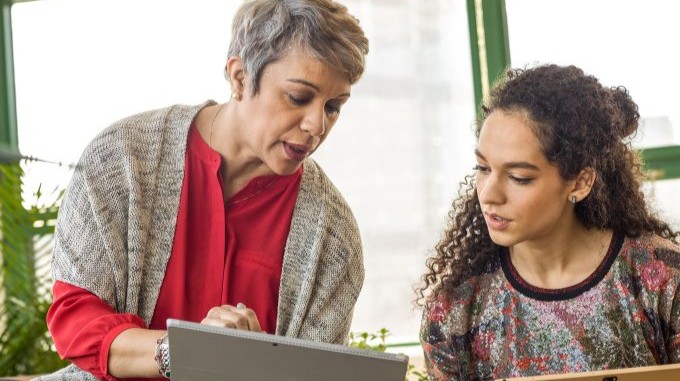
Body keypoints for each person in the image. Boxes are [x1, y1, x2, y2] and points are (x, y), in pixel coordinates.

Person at [40, 1, 369, 380]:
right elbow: (76, 319)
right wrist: (184, 353)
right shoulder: (122, 161)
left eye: (333, 106)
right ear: (240, 77)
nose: (317, 124)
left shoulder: (333, 236)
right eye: (298, 97)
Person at [418, 64, 680, 380]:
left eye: (519, 177)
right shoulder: (453, 309)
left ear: (580, 182)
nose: (488, 195)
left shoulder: (664, 281)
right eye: (483, 168)